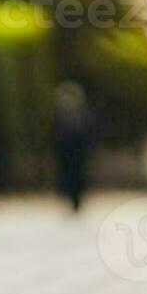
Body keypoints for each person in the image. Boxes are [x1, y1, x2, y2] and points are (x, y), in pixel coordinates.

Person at [53, 81, 94, 212]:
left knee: (77, 177)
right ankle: (72, 199)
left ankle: (76, 201)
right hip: (67, 155)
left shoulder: (82, 116)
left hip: (77, 154)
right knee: (69, 177)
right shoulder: (61, 116)